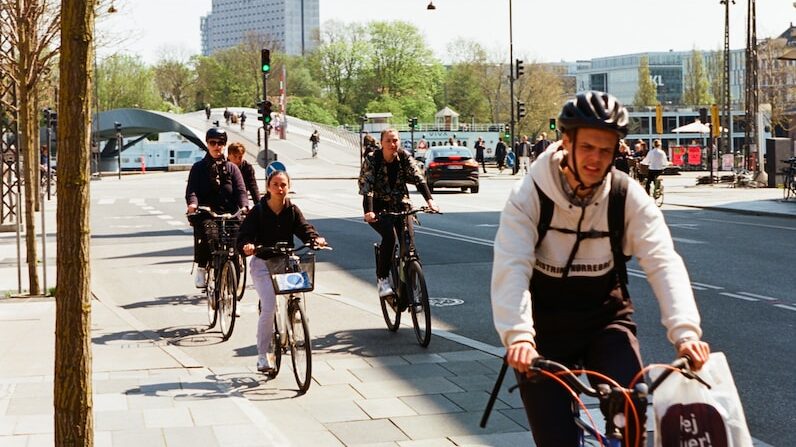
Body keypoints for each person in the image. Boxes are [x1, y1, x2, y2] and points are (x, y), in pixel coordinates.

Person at [490, 91, 710, 446]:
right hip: (545, 330)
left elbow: (663, 260)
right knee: (555, 438)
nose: (596, 159)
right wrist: (518, 338)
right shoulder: (529, 194)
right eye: (588, 147)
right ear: (566, 143)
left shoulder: (625, 195)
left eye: (605, 150)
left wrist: (685, 334)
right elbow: (512, 264)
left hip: (605, 319)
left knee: (633, 410)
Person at [237, 170, 327, 372]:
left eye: (283, 184)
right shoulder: (258, 211)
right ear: (268, 187)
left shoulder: (292, 209)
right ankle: (262, 355)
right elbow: (244, 236)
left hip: (285, 262)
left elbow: (305, 229)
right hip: (262, 264)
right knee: (269, 306)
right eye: (276, 184)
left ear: (289, 186)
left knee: (296, 291)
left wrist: (315, 239)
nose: (280, 188)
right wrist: (248, 245)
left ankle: (293, 314)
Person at [358, 129, 439, 304]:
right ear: (381, 143)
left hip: (401, 204)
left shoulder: (404, 157)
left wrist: (430, 201)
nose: (392, 144)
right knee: (390, 237)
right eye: (388, 141)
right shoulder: (373, 159)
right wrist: (370, 211)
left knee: (408, 243)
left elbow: (418, 179)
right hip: (378, 206)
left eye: (395, 140)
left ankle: (409, 282)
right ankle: (383, 279)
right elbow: (368, 188)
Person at [185, 128, 248, 288]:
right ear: (207, 144)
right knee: (208, 235)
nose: (217, 146)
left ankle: (234, 290)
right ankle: (201, 267)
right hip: (208, 212)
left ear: (224, 145)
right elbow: (191, 190)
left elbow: (241, 190)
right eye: (213, 143)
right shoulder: (198, 168)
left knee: (235, 245)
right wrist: (193, 204)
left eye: (220, 143)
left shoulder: (232, 168)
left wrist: (245, 206)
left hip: (230, 213)